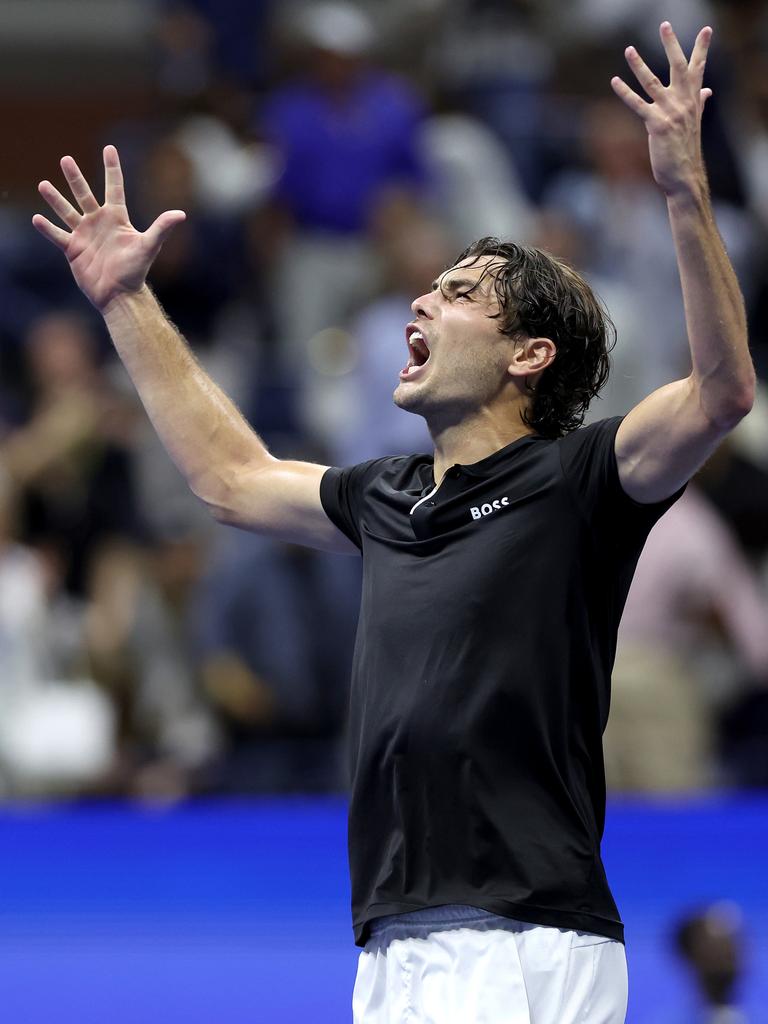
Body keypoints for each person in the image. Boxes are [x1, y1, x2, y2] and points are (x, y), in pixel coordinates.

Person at [33, 22, 754, 1024]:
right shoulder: (385, 494)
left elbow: (721, 393)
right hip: (392, 943)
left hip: (525, 940)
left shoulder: (581, 477)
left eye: (460, 295)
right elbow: (233, 478)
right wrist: (124, 301)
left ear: (529, 355)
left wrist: (681, 188)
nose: (422, 298)